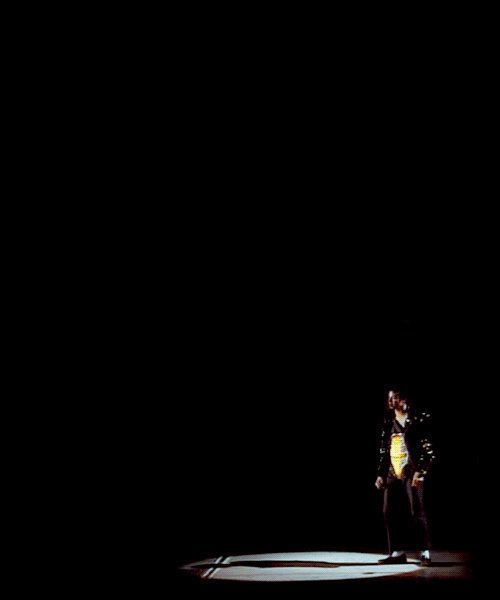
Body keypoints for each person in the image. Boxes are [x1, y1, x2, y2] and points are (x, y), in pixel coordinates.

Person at [375, 389, 435, 565]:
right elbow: (384, 450)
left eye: (398, 397)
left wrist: (420, 470)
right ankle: (397, 552)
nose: (395, 401)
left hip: (411, 469)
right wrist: (380, 474)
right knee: (389, 511)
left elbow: (429, 447)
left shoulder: (418, 419)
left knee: (417, 510)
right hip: (393, 470)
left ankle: (425, 552)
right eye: (391, 398)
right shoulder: (388, 422)